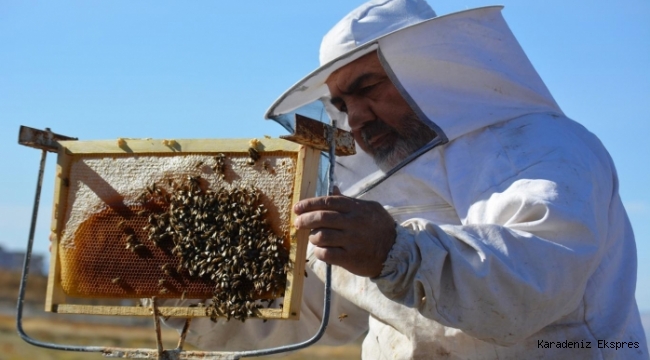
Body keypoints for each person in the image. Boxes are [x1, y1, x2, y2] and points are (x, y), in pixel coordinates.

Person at [168, 0, 649, 358]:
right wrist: (181, 300)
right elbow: (313, 310)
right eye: (340, 104)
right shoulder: (381, 188)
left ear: (432, 72)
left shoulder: (544, 148)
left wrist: (393, 251)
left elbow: (528, 281)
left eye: (366, 88)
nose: (354, 118)